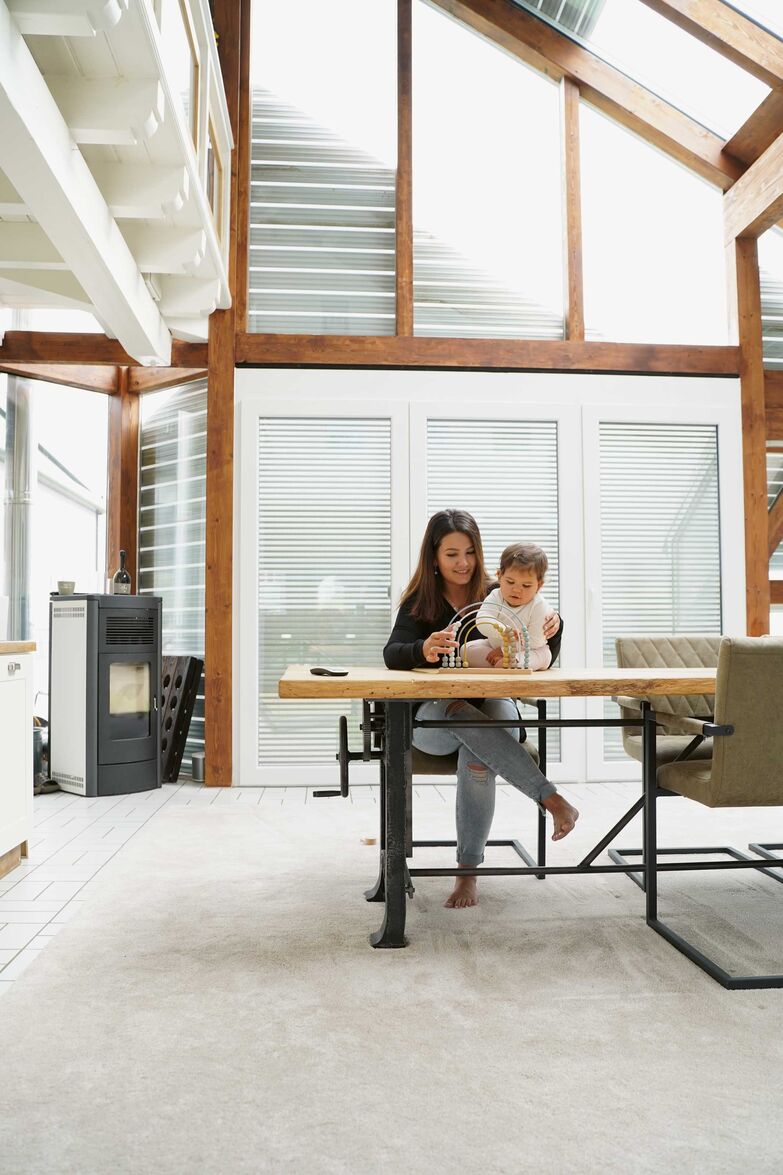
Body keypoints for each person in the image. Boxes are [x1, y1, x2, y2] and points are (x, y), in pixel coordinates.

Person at [383, 509, 579, 909]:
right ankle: (550, 798)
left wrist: (555, 627)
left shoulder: (503, 589)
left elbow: (544, 648)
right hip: (434, 721)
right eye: (452, 553)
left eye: (470, 552)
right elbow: (392, 654)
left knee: (479, 755)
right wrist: (423, 648)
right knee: (460, 712)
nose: (463, 562)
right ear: (434, 557)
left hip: (492, 708)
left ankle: (467, 874)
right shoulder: (421, 602)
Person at [473, 542, 553, 671]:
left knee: (540, 656)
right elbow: (482, 620)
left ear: (539, 585)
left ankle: (507, 662)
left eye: (526, 585)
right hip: (495, 646)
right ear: (499, 576)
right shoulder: (495, 596)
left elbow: (536, 640)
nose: (516, 590)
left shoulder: (539, 605)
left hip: (530, 651)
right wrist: (502, 630)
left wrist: (504, 651)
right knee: (466, 650)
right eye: (510, 582)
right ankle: (501, 663)